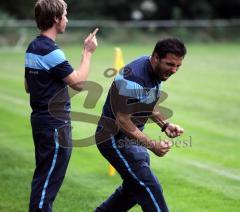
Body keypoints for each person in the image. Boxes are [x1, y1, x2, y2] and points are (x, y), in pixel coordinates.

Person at [95, 38, 187, 212]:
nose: (173, 70)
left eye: (178, 66)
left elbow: (146, 102)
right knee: (149, 188)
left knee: (133, 190)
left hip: (131, 140)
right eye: (170, 64)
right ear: (156, 57)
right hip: (114, 139)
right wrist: (153, 145)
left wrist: (165, 125)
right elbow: (122, 120)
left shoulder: (155, 71)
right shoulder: (135, 77)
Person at [24, 0, 98, 211]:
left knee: (43, 179)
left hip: (40, 122)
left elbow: (29, 86)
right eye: (65, 15)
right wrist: (87, 52)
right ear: (56, 19)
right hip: (55, 125)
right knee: (46, 185)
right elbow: (79, 82)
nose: (67, 19)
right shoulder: (51, 51)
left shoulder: (33, 47)